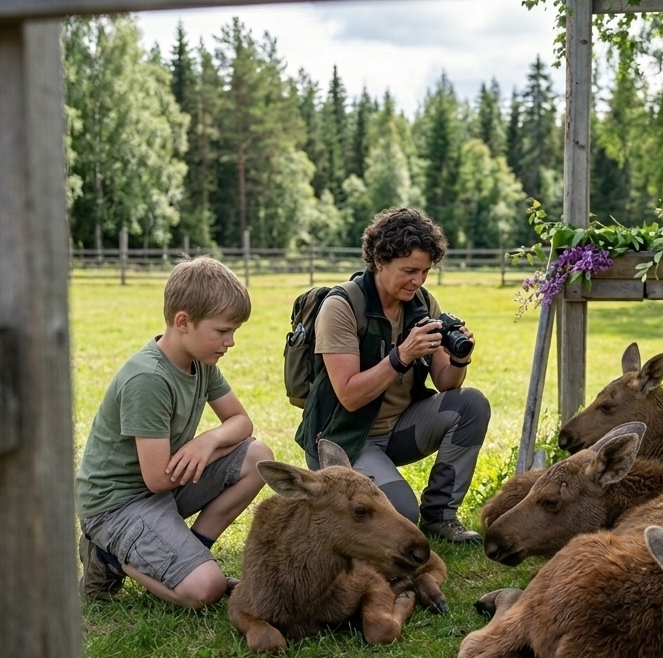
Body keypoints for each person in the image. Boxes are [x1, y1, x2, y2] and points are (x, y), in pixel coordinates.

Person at [77, 257, 274, 607]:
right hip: (118, 505)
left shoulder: (201, 361)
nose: (230, 342)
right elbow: (156, 479)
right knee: (206, 590)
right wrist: (207, 448)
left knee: (258, 457)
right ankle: (107, 557)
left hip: (163, 484)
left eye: (234, 332)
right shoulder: (148, 379)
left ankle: (194, 551)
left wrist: (208, 441)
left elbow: (241, 423)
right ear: (183, 321)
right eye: (222, 330)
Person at [296, 207, 490, 545]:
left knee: (471, 404)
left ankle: (441, 515)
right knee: (400, 517)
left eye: (425, 271)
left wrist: (461, 357)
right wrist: (401, 356)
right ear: (379, 261)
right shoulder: (342, 306)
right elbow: (349, 395)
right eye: (409, 271)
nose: (418, 281)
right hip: (345, 438)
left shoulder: (422, 303)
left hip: (399, 429)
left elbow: (446, 382)